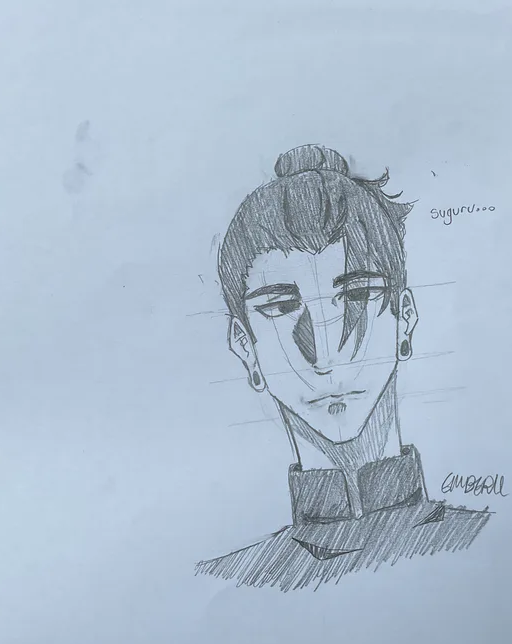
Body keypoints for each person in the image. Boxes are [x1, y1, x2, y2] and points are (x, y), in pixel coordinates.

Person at [195, 145, 490, 591]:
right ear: (246, 348)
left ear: (404, 321)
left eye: (358, 295)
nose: (326, 350)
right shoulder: (232, 582)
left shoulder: (488, 540)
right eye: (279, 306)